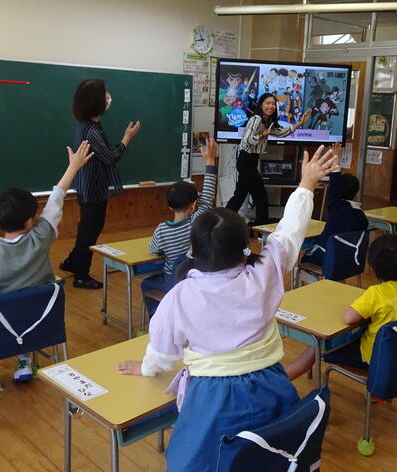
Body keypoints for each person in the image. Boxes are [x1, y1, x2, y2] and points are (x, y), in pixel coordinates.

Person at [117, 146, 339, 472]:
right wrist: (305, 184)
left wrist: (147, 369)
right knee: (260, 448)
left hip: (213, 399)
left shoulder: (180, 297)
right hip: (272, 387)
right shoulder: (265, 271)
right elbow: (289, 231)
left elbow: (163, 351)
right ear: (245, 246)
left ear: (192, 249)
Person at [0, 141, 93, 389]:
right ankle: (25, 361)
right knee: (26, 310)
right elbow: (56, 201)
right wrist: (73, 168)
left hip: (1, 321)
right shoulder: (42, 236)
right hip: (39, 319)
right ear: (31, 220)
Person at [285, 234, 397, 380]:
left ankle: (283, 380)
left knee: (316, 345)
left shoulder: (376, 294)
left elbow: (348, 318)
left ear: (373, 266)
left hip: (375, 358)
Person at [61, 79, 141, 289]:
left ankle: (73, 262)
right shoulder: (93, 131)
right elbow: (111, 157)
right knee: (90, 231)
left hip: (87, 185)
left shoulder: (85, 124)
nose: (108, 97)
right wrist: (127, 138)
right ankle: (81, 276)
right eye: (104, 94)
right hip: (93, 188)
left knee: (87, 228)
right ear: (95, 101)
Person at [141, 139, 218, 317]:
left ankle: (157, 319)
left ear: (170, 207)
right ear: (194, 205)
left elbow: (154, 250)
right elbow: (208, 192)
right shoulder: (198, 220)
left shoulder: (162, 230)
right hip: (195, 279)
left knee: (146, 284)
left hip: (173, 281)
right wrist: (210, 160)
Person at [225, 93, 312, 226]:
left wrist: (300, 123)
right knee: (260, 196)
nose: (271, 106)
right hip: (246, 160)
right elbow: (247, 139)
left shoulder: (268, 121)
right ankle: (261, 226)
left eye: (273, 104)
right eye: (267, 103)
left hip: (250, 161)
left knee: (240, 195)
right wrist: (262, 134)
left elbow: (280, 133)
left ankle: (222, 220)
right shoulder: (256, 119)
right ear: (261, 105)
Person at [300, 142, 367, 267]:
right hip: (349, 261)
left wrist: (336, 156)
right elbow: (336, 182)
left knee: (302, 252)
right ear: (356, 192)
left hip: (325, 257)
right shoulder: (362, 216)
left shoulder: (337, 207)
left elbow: (335, 182)